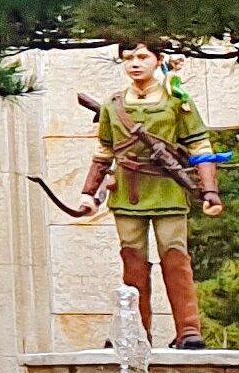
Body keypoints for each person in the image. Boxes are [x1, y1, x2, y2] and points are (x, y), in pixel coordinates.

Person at [82, 44, 223, 349]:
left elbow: (200, 145)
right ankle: (134, 331)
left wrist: (210, 190)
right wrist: (89, 194)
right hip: (127, 193)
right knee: (132, 262)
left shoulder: (177, 101)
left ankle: (188, 329)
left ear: (159, 60)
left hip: (167, 190)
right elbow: (104, 151)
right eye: (128, 58)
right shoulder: (113, 104)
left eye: (143, 57)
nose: (135, 63)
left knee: (175, 257)